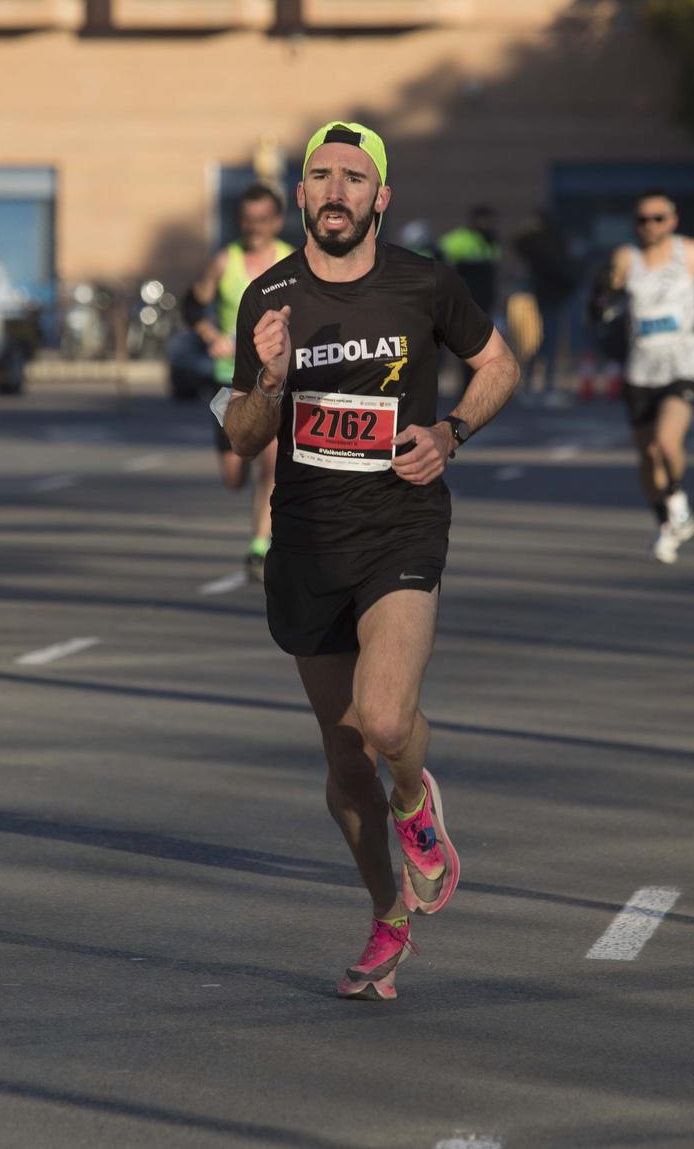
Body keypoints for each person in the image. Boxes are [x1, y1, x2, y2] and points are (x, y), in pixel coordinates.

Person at [223, 121, 519, 1001]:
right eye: (322, 176)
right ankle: (387, 909)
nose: (338, 190)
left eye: (356, 176)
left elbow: (498, 361)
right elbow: (242, 438)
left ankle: (416, 798)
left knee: (385, 720)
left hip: (402, 524)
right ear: (302, 196)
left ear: (380, 198)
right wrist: (270, 380)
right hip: (307, 539)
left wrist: (451, 431)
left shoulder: (423, 281)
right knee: (343, 754)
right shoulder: (267, 296)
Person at [602, 190, 694, 564]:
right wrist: (602, 306)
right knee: (645, 455)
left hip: (682, 363)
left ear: (672, 220)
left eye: (658, 218)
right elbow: (605, 297)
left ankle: (677, 497)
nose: (650, 226)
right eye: (642, 220)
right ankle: (666, 522)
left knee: (665, 444)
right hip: (640, 368)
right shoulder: (626, 259)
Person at [186, 183, 294, 579]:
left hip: (272, 380)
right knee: (234, 477)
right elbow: (192, 305)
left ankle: (258, 548)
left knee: (271, 466)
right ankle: (245, 475)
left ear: (277, 221)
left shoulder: (292, 261)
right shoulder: (224, 261)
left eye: (263, 220)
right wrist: (210, 335)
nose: (255, 228)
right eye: (248, 220)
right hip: (228, 381)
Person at [513, 211, 581, 402]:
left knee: (549, 342)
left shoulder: (546, 241)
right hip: (550, 295)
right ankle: (540, 385)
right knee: (549, 342)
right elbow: (520, 245)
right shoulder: (545, 242)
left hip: (552, 295)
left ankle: (536, 384)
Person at [436, 206, 501, 318]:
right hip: (466, 296)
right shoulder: (459, 239)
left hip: (485, 297)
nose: (489, 224)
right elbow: (438, 257)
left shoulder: (490, 241)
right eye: (486, 220)